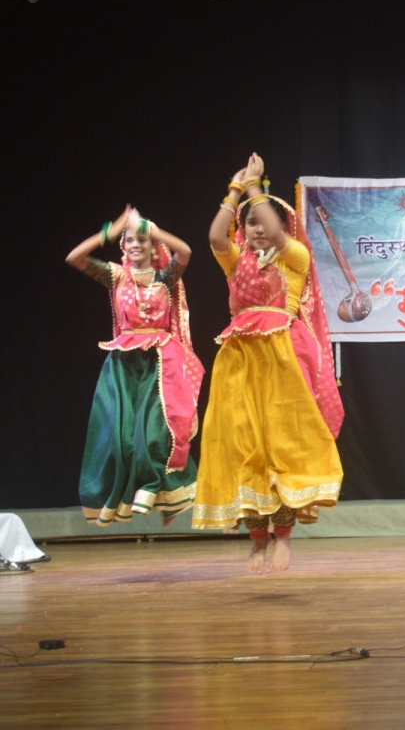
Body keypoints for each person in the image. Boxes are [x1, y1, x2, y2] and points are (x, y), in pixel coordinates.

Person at [192, 154, 344, 574]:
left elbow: (275, 231)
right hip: (238, 362)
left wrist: (257, 187)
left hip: (281, 361)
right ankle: (256, 540)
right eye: (251, 223)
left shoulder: (294, 258)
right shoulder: (235, 259)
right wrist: (234, 192)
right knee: (243, 448)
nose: (258, 229)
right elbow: (216, 238)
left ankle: (282, 538)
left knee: (281, 448)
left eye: (264, 222)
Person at [65, 206, 203, 526]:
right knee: (123, 439)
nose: (136, 244)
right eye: (130, 241)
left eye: (143, 240)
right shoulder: (116, 275)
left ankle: (155, 489)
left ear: (154, 245)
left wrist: (149, 228)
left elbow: (185, 250)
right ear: (123, 246)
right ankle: (126, 495)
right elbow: (75, 258)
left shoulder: (166, 276)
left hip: (160, 363)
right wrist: (110, 232)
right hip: (124, 364)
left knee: (155, 434)